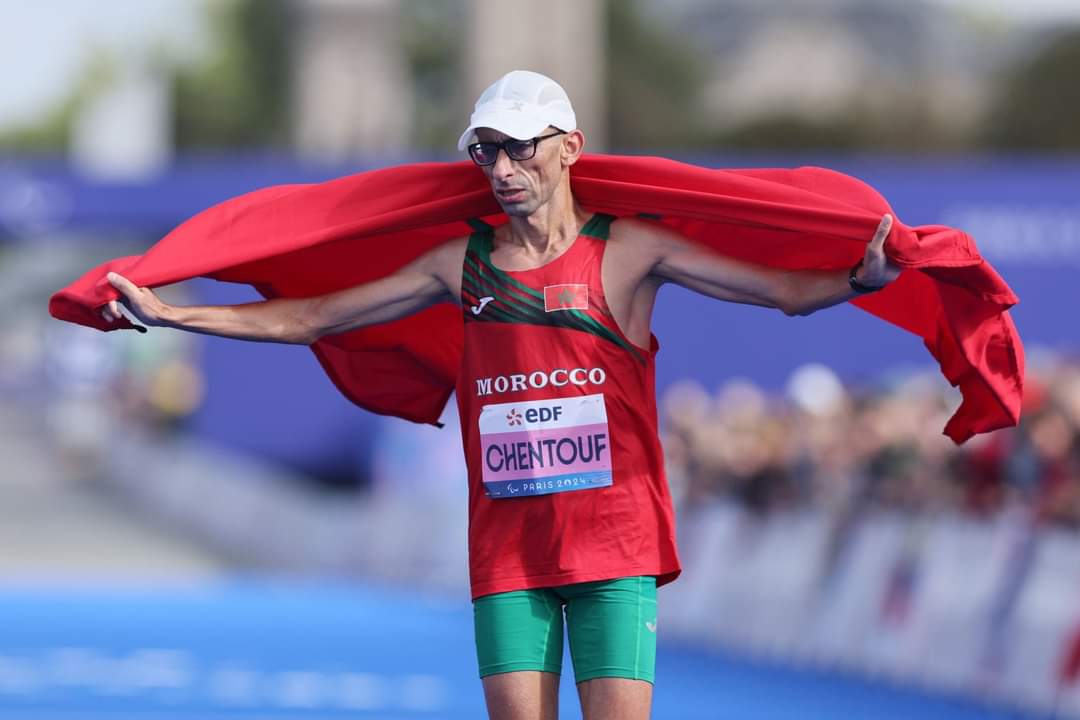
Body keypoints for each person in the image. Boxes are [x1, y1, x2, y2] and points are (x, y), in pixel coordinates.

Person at [101, 70, 899, 720]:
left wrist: (858, 279)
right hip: (509, 550)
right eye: (488, 153)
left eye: (520, 149)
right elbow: (312, 318)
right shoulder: (459, 262)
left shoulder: (630, 252)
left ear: (570, 149)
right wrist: (174, 312)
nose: (504, 170)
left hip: (613, 544)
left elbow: (783, 294)